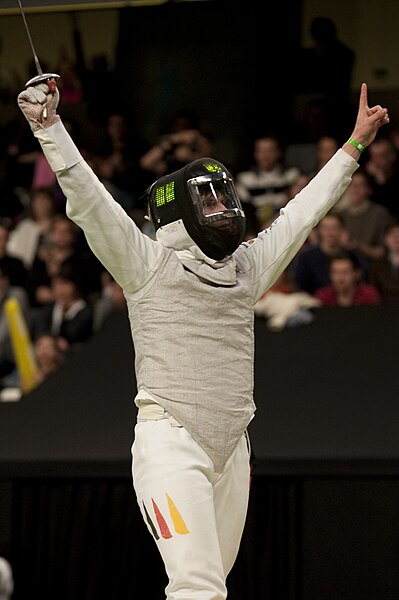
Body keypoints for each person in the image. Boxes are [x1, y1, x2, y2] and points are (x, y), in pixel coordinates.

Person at [17, 79, 389, 600]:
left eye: (222, 195)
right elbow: (89, 202)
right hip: (170, 445)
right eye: (206, 198)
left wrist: (354, 145)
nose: (220, 206)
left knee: (212, 586)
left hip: (233, 451)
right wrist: (49, 126)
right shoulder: (146, 264)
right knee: (198, 587)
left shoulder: (248, 268)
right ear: (176, 215)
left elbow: (303, 214)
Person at [314, 250, 381, 307]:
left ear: (357, 274)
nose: (340, 278)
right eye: (336, 272)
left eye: (345, 272)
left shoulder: (368, 296)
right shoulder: (323, 297)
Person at [369, 221, 399, 305]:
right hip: (383, 308)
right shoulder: (377, 264)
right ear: (385, 239)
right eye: (392, 234)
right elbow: (373, 289)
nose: (396, 238)